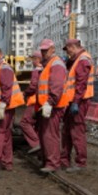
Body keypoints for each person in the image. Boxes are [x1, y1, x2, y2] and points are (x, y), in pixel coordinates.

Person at [60, 38, 94, 173]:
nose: (67, 52)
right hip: (73, 101)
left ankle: (80, 163)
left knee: (76, 131)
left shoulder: (83, 60)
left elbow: (81, 84)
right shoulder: (78, 60)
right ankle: (64, 160)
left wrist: (76, 102)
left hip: (79, 101)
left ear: (73, 47)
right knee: (66, 130)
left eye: (67, 49)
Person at [37, 39, 68, 173]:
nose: (43, 53)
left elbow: (56, 86)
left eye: (46, 50)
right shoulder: (49, 64)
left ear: (53, 49)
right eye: (42, 50)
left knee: (50, 134)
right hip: (49, 105)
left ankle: (53, 163)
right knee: (47, 133)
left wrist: (50, 102)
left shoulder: (55, 64)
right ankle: (49, 161)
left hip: (54, 105)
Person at [20, 51, 43, 154]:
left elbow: (33, 86)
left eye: (33, 59)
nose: (32, 61)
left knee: (24, 122)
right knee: (38, 125)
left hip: (34, 101)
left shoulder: (36, 71)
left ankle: (36, 144)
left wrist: (25, 93)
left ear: (37, 59)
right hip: (43, 102)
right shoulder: (46, 69)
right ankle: (42, 150)